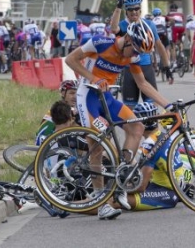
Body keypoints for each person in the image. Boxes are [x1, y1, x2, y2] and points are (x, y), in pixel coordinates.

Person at [65, 13, 173, 219]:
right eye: (135, 49)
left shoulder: (133, 55)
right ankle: (101, 202)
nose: (135, 54)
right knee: (97, 144)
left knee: (137, 127)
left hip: (107, 97)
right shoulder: (101, 43)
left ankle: (122, 178)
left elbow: (143, 84)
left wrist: (167, 104)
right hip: (88, 95)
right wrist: (93, 78)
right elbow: (71, 59)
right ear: (128, 40)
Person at [109, 0, 173, 109]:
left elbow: (160, 47)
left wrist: (167, 67)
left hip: (146, 67)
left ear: (140, 9)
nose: (134, 11)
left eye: (136, 8)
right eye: (130, 9)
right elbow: (113, 28)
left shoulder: (149, 24)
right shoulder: (123, 25)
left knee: (152, 108)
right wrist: (118, 6)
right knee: (130, 111)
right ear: (126, 11)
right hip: (129, 70)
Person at [35, 79, 80, 146]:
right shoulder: (57, 110)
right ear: (63, 93)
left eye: (78, 93)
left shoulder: (76, 110)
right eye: (72, 93)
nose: (75, 96)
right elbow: (42, 134)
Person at [167, 2, 185, 70]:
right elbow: (182, 21)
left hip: (175, 28)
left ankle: (174, 62)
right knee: (180, 41)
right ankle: (182, 53)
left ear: (170, 9)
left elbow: (168, 22)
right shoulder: (181, 14)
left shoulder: (169, 14)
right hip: (182, 28)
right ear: (176, 9)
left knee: (173, 46)